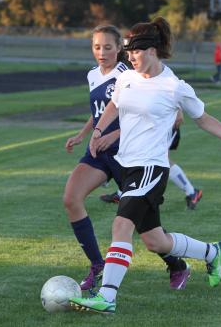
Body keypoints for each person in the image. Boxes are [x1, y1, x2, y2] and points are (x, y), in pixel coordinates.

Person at [69, 17, 221, 314]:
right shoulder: (127, 78)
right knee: (155, 241)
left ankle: (106, 297)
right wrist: (97, 132)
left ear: (152, 50)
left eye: (135, 51)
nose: (130, 57)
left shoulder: (174, 87)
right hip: (126, 164)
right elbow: (114, 105)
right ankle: (213, 252)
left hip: (151, 168)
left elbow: (203, 118)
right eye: (128, 51)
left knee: (121, 225)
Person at [63, 25, 190, 294]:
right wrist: (83, 134)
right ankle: (98, 266)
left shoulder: (129, 73)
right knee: (71, 199)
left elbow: (142, 112)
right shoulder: (93, 75)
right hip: (98, 152)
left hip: (129, 154)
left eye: (108, 47)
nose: (102, 52)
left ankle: (176, 264)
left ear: (120, 48)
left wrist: (115, 133)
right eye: (96, 47)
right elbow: (100, 111)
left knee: (147, 232)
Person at [100, 109, 203, 210]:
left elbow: (174, 92)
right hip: (150, 120)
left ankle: (192, 192)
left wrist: (178, 110)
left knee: (161, 158)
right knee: (137, 154)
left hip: (164, 120)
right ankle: (122, 192)